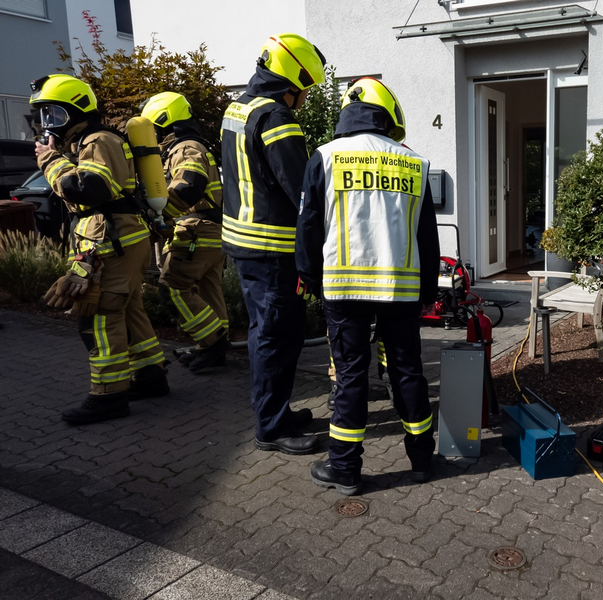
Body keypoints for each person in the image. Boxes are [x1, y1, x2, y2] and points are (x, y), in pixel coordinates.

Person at [296, 77, 440, 495]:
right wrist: (427, 291)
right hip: (401, 286)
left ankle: (345, 468)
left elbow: (306, 226)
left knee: (351, 375)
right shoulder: (414, 162)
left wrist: (307, 276)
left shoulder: (324, 157)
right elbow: (426, 236)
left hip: (343, 287)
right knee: (408, 371)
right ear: (388, 115)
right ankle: (421, 460)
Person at [31, 74, 169, 425]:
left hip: (112, 241)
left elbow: (88, 188)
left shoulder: (98, 140)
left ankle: (109, 396)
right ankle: (151, 376)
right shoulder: (89, 141)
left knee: (99, 317)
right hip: (120, 238)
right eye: (45, 116)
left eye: (54, 115)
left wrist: (50, 162)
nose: (49, 125)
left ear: (75, 111)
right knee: (129, 309)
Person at [220, 33, 326, 455]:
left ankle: (277, 411)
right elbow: (302, 191)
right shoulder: (277, 120)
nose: (304, 98)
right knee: (277, 336)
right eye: (305, 90)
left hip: (244, 245)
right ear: (293, 82)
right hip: (272, 250)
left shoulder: (238, 107)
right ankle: (272, 427)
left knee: (265, 333)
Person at [139, 92, 229, 372]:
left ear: (164, 121)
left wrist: (159, 213)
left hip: (197, 232)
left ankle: (213, 344)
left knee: (173, 289)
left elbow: (189, 184)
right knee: (208, 290)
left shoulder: (185, 147)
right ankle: (212, 347)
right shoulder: (192, 145)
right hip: (209, 232)